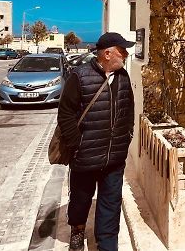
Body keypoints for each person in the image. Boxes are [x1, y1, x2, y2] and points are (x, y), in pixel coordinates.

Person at [57, 32, 135, 251]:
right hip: (86, 155)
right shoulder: (79, 76)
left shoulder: (123, 77)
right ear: (108, 54)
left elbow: (129, 109)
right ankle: (78, 229)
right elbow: (65, 115)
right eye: (123, 51)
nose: (126, 55)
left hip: (115, 157)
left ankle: (107, 245)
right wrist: (77, 145)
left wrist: (127, 136)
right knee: (81, 199)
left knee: (111, 203)